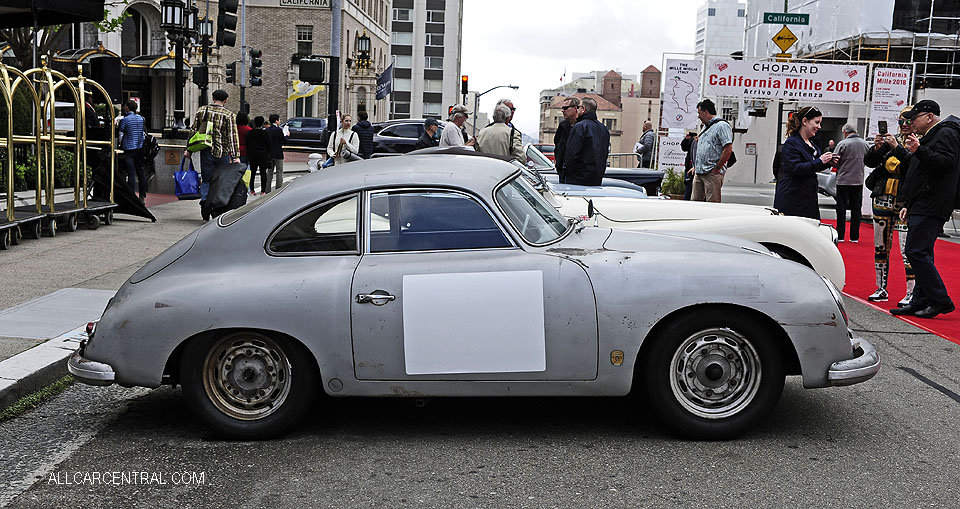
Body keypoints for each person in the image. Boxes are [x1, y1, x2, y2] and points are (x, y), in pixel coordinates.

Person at [890, 100, 960, 318]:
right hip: (924, 202)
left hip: (932, 203)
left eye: (915, 117)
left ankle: (940, 300)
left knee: (916, 251)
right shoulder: (935, 135)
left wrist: (919, 150)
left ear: (929, 116)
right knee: (922, 252)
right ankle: (920, 300)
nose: (911, 122)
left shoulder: (946, 134)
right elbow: (917, 169)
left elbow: (945, 163)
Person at [863, 106, 916, 305]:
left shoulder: (918, 142)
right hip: (883, 195)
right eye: (901, 121)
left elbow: (914, 165)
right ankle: (880, 288)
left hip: (904, 199)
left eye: (908, 121)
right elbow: (870, 162)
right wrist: (876, 148)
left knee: (906, 247)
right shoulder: (892, 139)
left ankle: (911, 292)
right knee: (880, 245)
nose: (904, 125)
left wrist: (897, 148)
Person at [185, 90, 240, 220]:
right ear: (225, 100)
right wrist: (236, 156)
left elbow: (193, 130)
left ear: (213, 98)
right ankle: (216, 206)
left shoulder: (202, 111)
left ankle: (204, 200)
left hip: (206, 150)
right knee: (221, 181)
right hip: (223, 153)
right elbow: (232, 136)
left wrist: (189, 149)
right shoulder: (229, 115)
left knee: (207, 179)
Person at [774, 106, 836, 219]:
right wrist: (821, 161)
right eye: (816, 122)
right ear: (805, 121)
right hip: (793, 199)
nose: (819, 127)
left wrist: (828, 162)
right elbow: (794, 168)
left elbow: (812, 166)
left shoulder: (812, 144)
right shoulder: (791, 143)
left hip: (808, 198)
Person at [834, 124, 871, 242]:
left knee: (841, 209)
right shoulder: (865, 144)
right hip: (858, 180)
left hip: (843, 180)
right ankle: (854, 236)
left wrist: (840, 167)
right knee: (856, 209)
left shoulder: (842, 144)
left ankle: (840, 235)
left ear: (845, 132)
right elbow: (869, 159)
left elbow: (834, 160)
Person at [692, 99, 733, 202]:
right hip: (699, 172)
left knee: (712, 204)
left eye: (699, 113)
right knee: (695, 204)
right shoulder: (705, 127)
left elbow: (728, 149)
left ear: (706, 112)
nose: (698, 116)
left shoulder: (722, 126)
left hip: (712, 173)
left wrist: (717, 169)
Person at [563, 97, 610, 186]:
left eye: (578, 107)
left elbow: (572, 154)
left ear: (583, 110)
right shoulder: (603, 128)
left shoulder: (579, 127)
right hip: (597, 178)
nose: (576, 110)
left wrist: (566, 172)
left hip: (578, 179)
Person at [117, 99, 146, 200]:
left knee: (131, 173)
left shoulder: (125, 120)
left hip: (128, 149)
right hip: (139, 149)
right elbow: (143, 133)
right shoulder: (141, 118)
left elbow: (120, 134)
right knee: (140, 173)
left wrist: (121, 144)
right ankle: (142, 196)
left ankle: (131, 196)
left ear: (127, 108)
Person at [553, 96, 580, 183]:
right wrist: (559, 165)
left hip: (577, 172)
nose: (563, 111)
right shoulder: (562, 126)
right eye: (562, 108)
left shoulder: (582, 126)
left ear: (575, 109)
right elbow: (558, 145)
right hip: (563, 171)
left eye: (565, 108)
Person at [245, 116, 274, 194]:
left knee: (252, 173)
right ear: (262, 123)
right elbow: (269, 145)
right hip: (263, 155)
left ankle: (252, 190)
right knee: (263, 173)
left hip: (253, 155)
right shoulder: (265, 133)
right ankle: (263, 191)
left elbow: (247, 144)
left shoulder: (250, 133)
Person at [265, 114, 288, 190]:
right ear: (276, 121)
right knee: (279, 172)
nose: (279, 121)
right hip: (278, 153)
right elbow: (284, 141)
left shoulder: (267, 130)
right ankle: (278, 189)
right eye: (279, 120)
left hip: (269, 154)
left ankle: (267, 189)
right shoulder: (278, 130)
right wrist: (287, 135)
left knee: (269, 172)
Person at [235, 112, 253, 194]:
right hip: (246, 151)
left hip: (235, 150)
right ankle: (246, 188)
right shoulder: (249, 130)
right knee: (246, 171)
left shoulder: (234, 129)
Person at [680, 131, 697, 200]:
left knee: (696, 191)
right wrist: (686, 140)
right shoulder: (692, 141)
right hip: (689, 168)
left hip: (697, 169)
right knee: (688, 189)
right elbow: (684, 148)